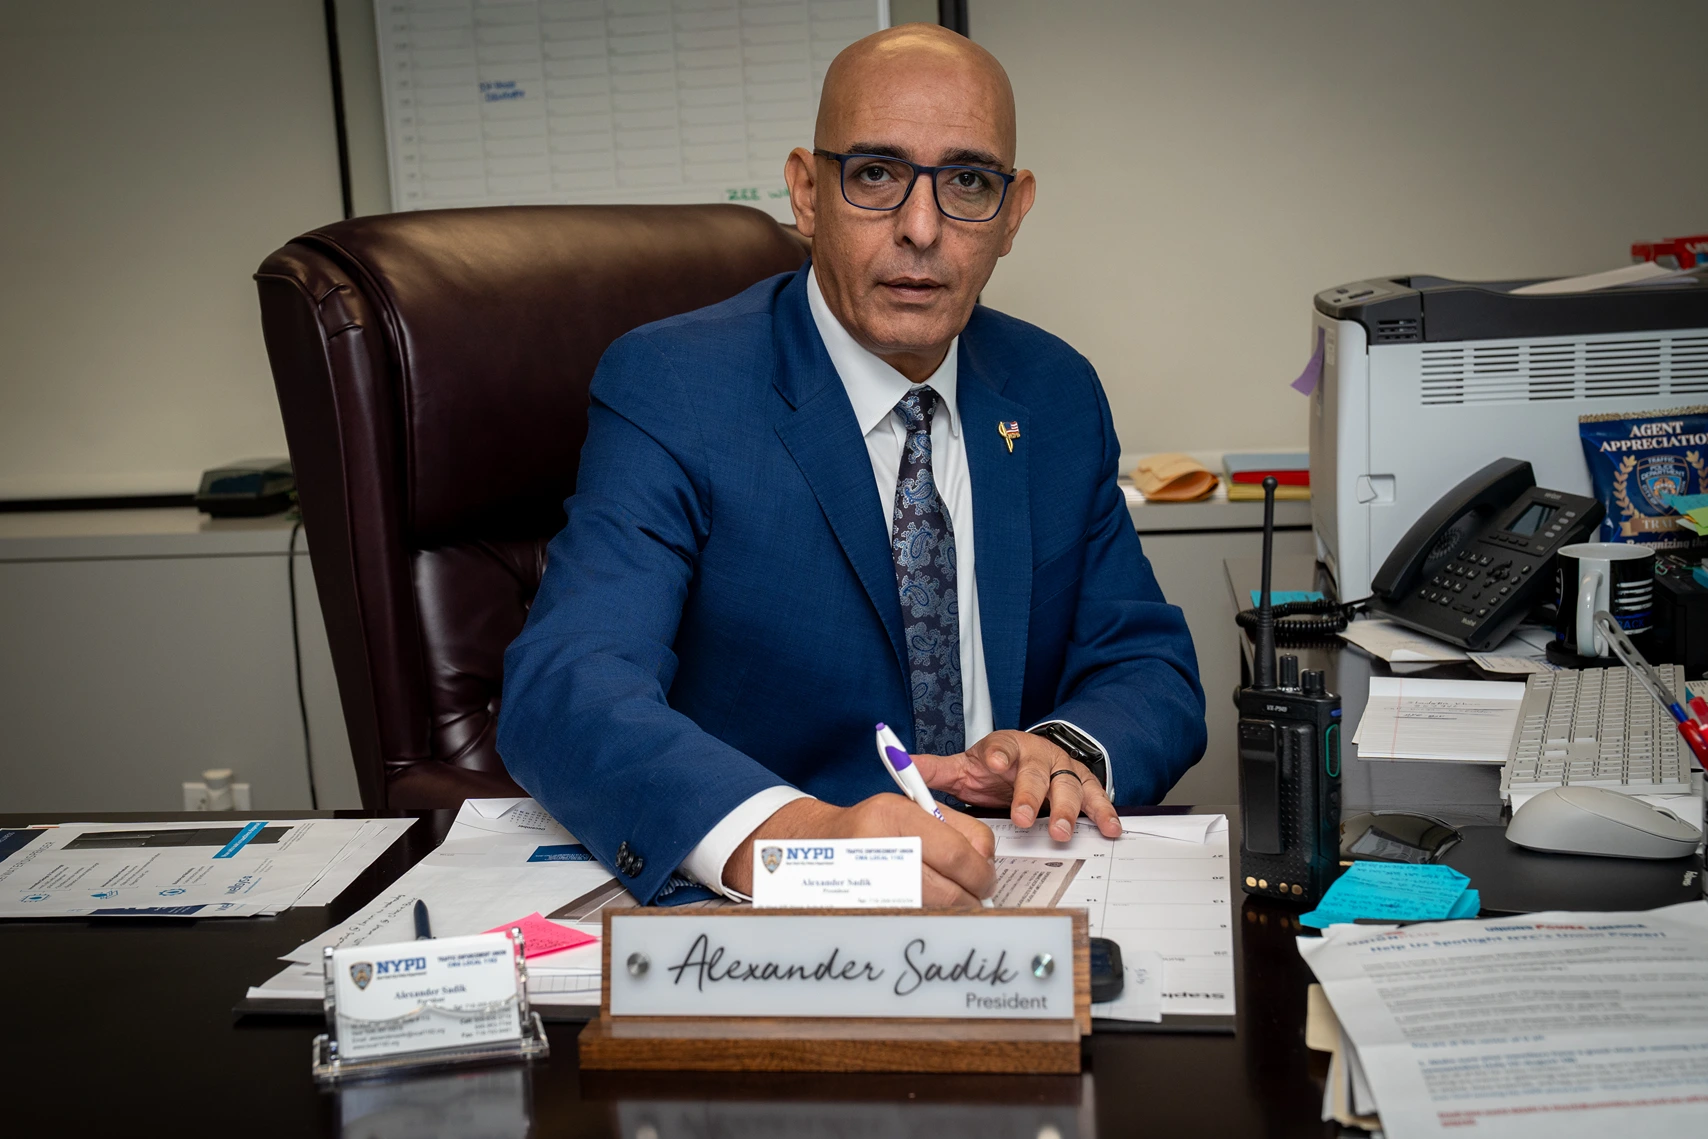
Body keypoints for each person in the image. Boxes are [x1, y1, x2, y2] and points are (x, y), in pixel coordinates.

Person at [498, 24, 1205, 906]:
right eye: (875, 174)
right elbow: (569, 684)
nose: (921, 229)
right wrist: (801, 840)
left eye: (968, 183)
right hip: (784, 911)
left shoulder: (1053, 391)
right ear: (806, 192)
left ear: (1013, 212)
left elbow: (1148, 665)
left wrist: (1063, 752)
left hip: (1019, 881)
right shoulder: (678, 386)